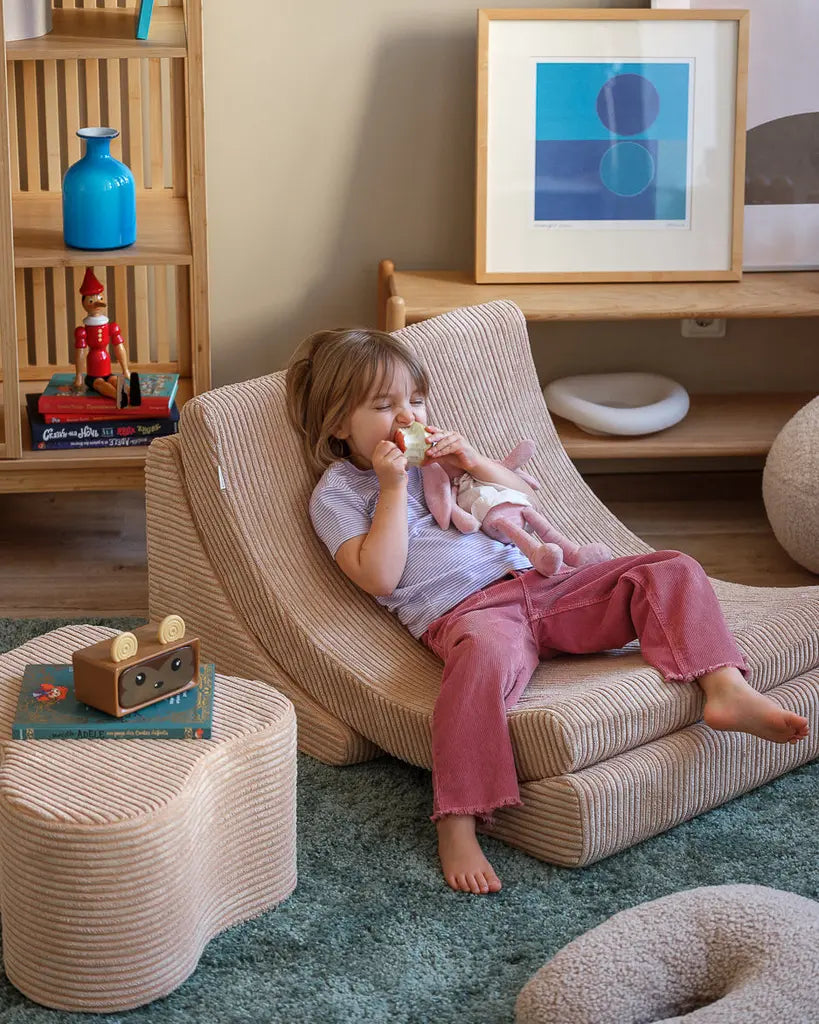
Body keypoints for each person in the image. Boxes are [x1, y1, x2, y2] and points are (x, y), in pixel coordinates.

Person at [286, 327, 810, 896]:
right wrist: (391, 487)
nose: (407, 416)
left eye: (415, 399)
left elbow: (521, 498)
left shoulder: (439, 461)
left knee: (671, 568)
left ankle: (724, 686)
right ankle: (459, 818)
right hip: (471, 612)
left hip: (548, 584)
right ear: (339, 424)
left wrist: (473, 460)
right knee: (478, 666)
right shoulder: (338, 494)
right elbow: (379, 576)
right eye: (383, 405)